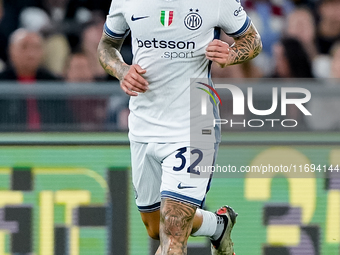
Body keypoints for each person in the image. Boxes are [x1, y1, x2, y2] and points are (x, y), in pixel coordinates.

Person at [98, 1, 262, 254]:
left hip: (195, 122)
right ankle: (218, 226)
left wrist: (232, 54)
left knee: (173, 234)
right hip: (144, 121)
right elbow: (107, 46)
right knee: (155, 227)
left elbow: (252, 40)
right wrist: (122, 70)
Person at [0, 28, 71, 130]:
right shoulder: (2, 83)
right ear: (11, 50)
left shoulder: (53, 84)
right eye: (24, 47)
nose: (31, 54)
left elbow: (64, 121)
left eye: (36, 47)